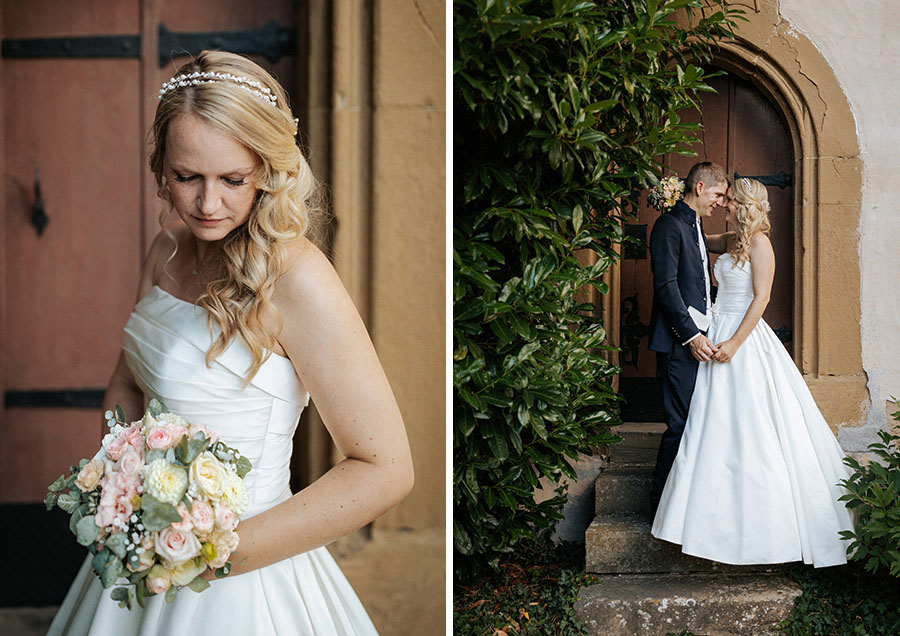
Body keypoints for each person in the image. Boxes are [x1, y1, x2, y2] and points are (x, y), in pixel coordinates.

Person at [48, 51, 414, 635]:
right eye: (186, 176)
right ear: (161, 167)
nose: (206, 204)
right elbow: (127, 382)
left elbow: (385, 469)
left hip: (244, 578)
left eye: (232, 180)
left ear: (268, 171)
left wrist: (209, 557)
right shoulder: (168, 245)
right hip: (139, 558)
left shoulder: (298, 279)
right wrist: (121, 498)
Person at [651, 178, 853, 567]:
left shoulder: (761, 244)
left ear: (743, 205)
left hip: (741, 336)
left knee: (752, 422)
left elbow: (761, 299)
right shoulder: (729, 240)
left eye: (729, 201)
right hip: (714, 329)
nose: (723, 204)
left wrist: (734, 344)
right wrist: (674, 203)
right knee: (707, 423)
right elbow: (693, 236)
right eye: (720, 198)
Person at [647, 161, 727, 513]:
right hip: (680, 342)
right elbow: (665, 287)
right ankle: (660, 506)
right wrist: (692, 336)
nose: (720, 202)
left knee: (696, 421)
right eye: (718, 194)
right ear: (699, 188)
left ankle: (685, 506)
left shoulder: (694, 225)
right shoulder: (669, 224)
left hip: (701, 341)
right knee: (680, 423)